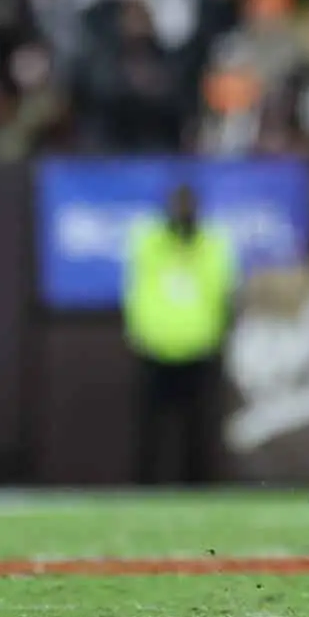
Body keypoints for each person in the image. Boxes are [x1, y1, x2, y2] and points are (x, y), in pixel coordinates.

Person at [122, 183, 240, 485]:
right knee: (149, 431)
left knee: (198, 431)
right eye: (178, 206)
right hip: (154, 348)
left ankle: (197, 490)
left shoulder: (213, 243)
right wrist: (140, 333)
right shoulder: (150, 241)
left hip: (201, 349)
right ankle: (144, 489)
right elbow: (136, 291)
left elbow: (224, 292)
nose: (182, 213)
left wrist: (218, 335)